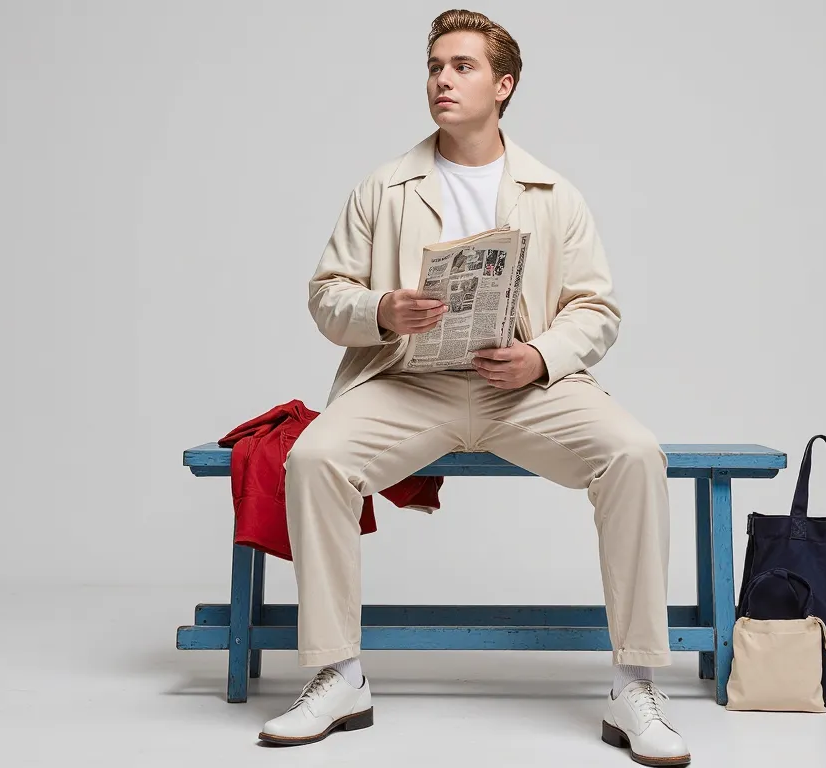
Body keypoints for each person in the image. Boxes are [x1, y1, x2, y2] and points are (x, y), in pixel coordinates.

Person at [258, 9, 690, 766]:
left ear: (504, 85)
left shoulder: (554, 192)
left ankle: (635, 683)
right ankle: (339, 674)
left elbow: (598, 308)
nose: (442, 80)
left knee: (634, 453)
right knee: (315, 458)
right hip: (408, 386)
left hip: (524, 391)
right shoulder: (383, 188)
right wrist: (381, 310)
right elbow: (327, 296)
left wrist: (542, 356)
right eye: (434, 66)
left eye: (461, 66)